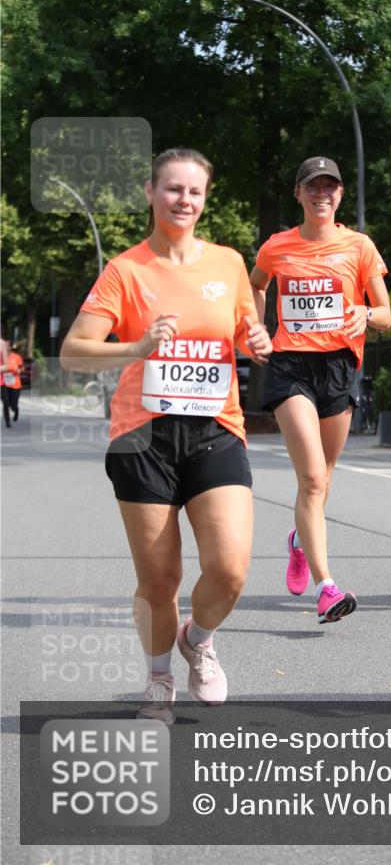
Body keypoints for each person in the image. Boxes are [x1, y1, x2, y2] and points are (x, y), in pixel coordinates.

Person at [60, 148, 272, 721]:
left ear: (206, 200)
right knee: (159, 579)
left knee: (229, 568)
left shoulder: (228, 263)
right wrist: (135, 347)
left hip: (216, 430)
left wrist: (256, 340)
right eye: (173, 189)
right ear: (152, 194)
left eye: (195, 192)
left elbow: (245, 324)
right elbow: (73, 352)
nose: (184, 200)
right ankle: (158, 679)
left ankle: (198, 640)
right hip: (142, 437)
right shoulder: (126, 271)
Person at [249, 156, 391, 623]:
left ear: (340, 194)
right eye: (313, 186)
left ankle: (298, 539)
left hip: (339, 367)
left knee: (324, 477)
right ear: (300, 194)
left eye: (330, 186)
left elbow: (387, 314)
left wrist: (365, 314)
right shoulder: (277, 247)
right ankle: (327, 586)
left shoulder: (359, 246)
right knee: (312, 478)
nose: (322, 194)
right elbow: (256, 285)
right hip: (291, 366)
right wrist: (255, 326)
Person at [1, 344, 24, 426]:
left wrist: (19, 370)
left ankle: (16, 409)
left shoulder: (17, 357)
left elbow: (22, 368)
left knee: (13, 405)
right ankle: (7, 422)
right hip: (4, 384)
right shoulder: (2, 357)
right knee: (6, 403)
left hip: (15, 384)